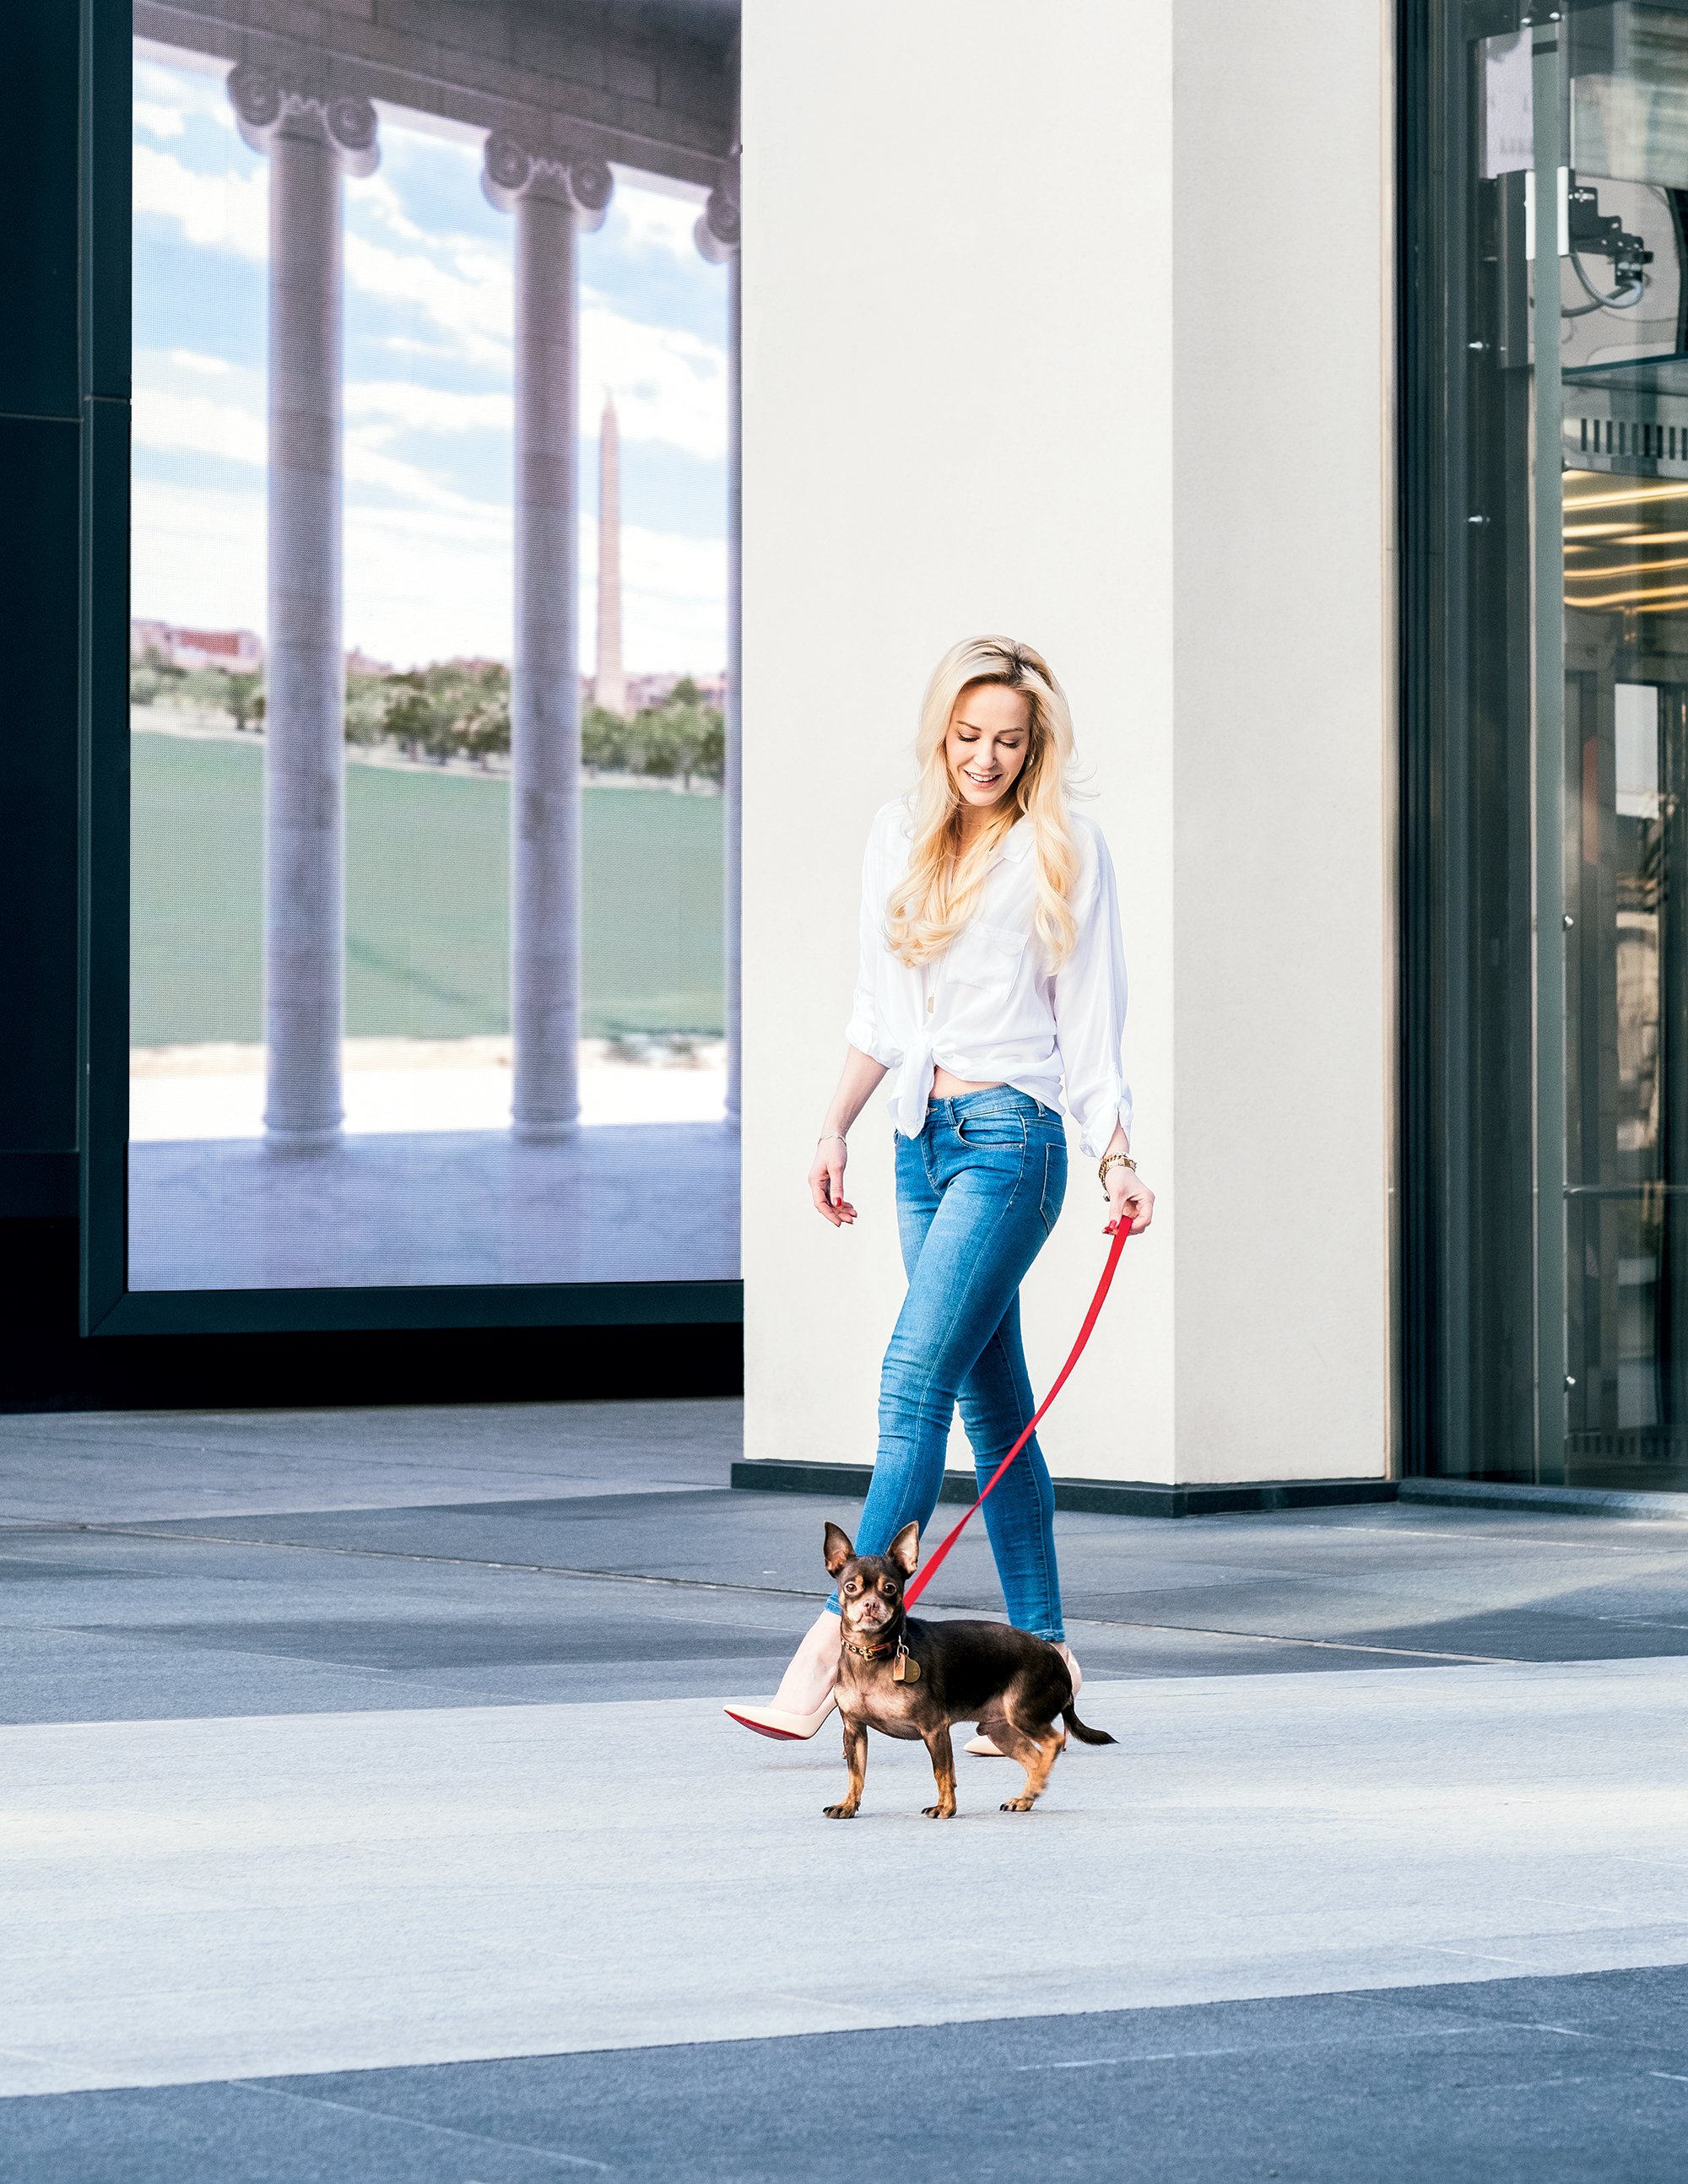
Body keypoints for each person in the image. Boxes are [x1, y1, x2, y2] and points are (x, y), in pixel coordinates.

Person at [724, 636, 1153, 1743]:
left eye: (1009, 742)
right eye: (968, 738)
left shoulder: (1068, 851)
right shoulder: (896, 838)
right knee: (991, 1404)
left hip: (1015, 1142)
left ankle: (832, 1648)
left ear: (1035, 748)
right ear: (942, 736)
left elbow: (1093, 1031)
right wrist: (833, 1125)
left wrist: (1116, 1154)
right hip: (920, 1138)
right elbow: (880, 1013)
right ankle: (1046, 1659)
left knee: (913, 1374)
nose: (986, 759)